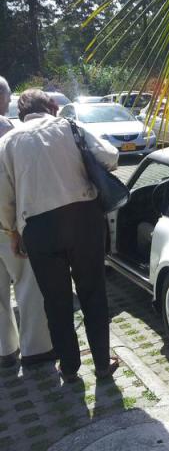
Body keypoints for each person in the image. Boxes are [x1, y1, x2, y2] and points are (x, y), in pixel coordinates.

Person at [0, 89, 119, 382]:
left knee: (56, 301)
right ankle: (102, 366)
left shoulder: (8, 142)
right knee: (92, 293)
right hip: (83, 220)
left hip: (38, 228)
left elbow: (4, 197)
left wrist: (12, 231)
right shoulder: (70, 126)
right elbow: (111, 156)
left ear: (20, 113)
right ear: (51, 106)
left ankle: (69, 369)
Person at [0, 78, 54, 368]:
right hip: (6, 223)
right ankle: (36, 348)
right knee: (27, 284)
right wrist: (12, 228)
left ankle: (5, 350)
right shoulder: (7, 130)